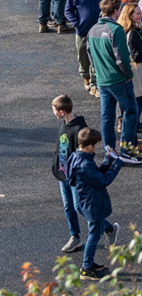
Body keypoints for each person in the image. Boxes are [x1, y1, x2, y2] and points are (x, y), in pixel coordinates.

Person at [87, 0, 142, 164]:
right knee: (131, 112)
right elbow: (122, 58)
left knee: (107, 117)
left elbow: (90, 55)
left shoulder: (93, 30)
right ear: (115, 11)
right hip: (119, 79)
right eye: (119, 9)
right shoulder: (116, 30)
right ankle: (127, 151)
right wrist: (128, 75)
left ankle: (110, 152)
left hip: (103, 80)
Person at [65, 128, 122, 280]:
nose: (97, 147)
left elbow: (95, 174)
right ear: (90, 146)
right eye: (96, 145)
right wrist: (117, 164)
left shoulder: (76, 157)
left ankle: (110, 230)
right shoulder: (85, 164)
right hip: (92, 204)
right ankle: (86, 268)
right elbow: (103, 180)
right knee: (94, 235)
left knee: (96, 225)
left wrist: (108, 160)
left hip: (81, 202)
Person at [65, 0, 109, 98]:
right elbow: (68, 10)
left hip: (99, 33)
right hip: (83, 33)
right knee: (84, 59)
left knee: (96, 59)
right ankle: (86, 78)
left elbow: (108, 6)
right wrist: (77, 24)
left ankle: (95, 85)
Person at [51, 94, 88, 253]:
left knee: (80, 207)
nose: (53, 112)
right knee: (68, 206)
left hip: (74, 176)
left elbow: (84, 153)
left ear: (62, 111)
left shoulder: (79, 129)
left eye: (54, 110)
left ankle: (107, 228)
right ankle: (75, 237)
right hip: (62, 174)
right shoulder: (62, 125)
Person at [118, 3, 142, 136]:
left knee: (130, 108)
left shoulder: (123, 30)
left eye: (140, 13)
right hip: (137, 72)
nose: (141, 16)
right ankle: (131, 140)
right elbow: (138, 56)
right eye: (137, 13)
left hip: (129, 72)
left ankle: (131, 136)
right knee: (136, 107)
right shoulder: (134, 33)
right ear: (129, 16)